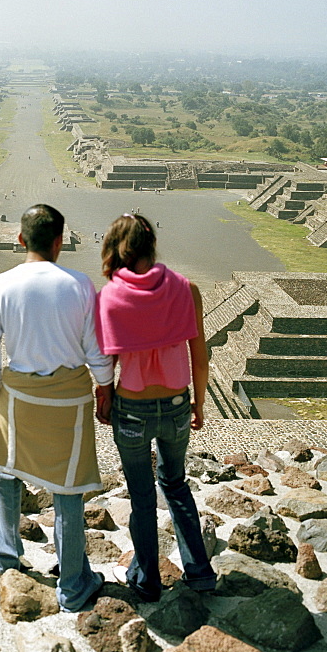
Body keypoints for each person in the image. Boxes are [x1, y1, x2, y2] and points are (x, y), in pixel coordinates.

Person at [0, 204, 114, 612]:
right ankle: (73, 583)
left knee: (7, 469)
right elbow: (97, 352)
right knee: (68, 488)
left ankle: (3, 552)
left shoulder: (0, 284)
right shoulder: (79, 284)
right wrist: (105, 388)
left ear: (20, 240)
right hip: (69, 399)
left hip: (18, 395)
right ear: (60, 242)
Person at [94, 213, 215, 601]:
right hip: (178, 404)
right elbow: (200, 353)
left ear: (115, 248)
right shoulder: (187, 289)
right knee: (176, 484)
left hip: (132, 410)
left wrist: (104, 396)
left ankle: (146, 579)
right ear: (152, 245)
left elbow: (104, 360)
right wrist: (200, 400)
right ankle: (199, 571)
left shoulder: (110, 296)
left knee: (142, 494)